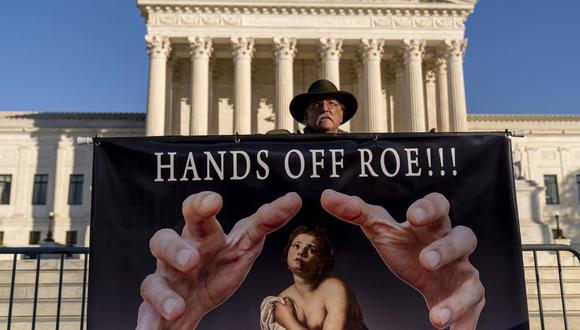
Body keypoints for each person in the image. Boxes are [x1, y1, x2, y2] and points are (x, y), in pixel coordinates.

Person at [136, 80, 485, 330]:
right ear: (304, 114)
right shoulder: (282, 147)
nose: (326, 108)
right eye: (317, 105)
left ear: (344, 114)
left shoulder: (362, 151)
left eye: (333, 104)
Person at [260, 226, 366, 330]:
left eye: (311, 249)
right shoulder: (283, 300)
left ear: (321, 262)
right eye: (296, 246)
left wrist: (289, 321)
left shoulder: (334, 289)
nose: (301, 252)